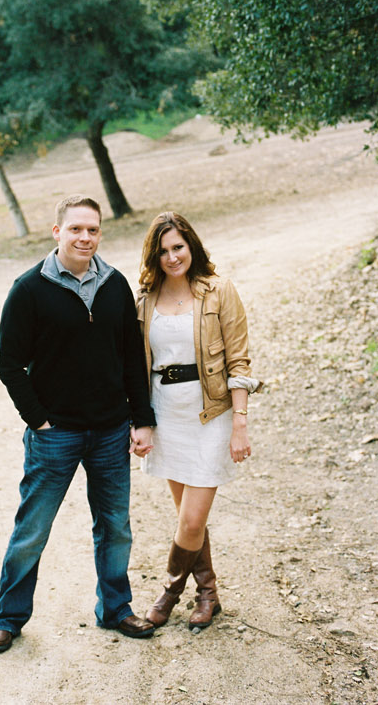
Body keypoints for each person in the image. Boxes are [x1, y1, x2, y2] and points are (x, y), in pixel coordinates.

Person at [0, 195, 156, 652]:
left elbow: (133, 360)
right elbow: (9, 364)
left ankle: (116, 609)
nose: (85, 237)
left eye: (93, 230)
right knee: (32, 529)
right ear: (56, 231)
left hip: (111, 430)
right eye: (76, 229)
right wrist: (37, 419)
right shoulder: (29, 289)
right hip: (55, 435)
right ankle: (7, 618)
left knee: (115, 526)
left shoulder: (115, 284)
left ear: (100, 233)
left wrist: (142, 419)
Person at [136, 211, 256, 632]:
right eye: (164, 250)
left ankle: (168, 594)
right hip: (166, 414)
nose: (172, 257)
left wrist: (240, 421)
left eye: (178, 247)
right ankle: (208, 592)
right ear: (154, 255)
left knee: (189, 520)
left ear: (192, 246)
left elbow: (239, 360)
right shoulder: (145, 298)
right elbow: (135, 366)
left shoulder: (218, 290)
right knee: (192, 518)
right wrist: (140, 421)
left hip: (211, 414)